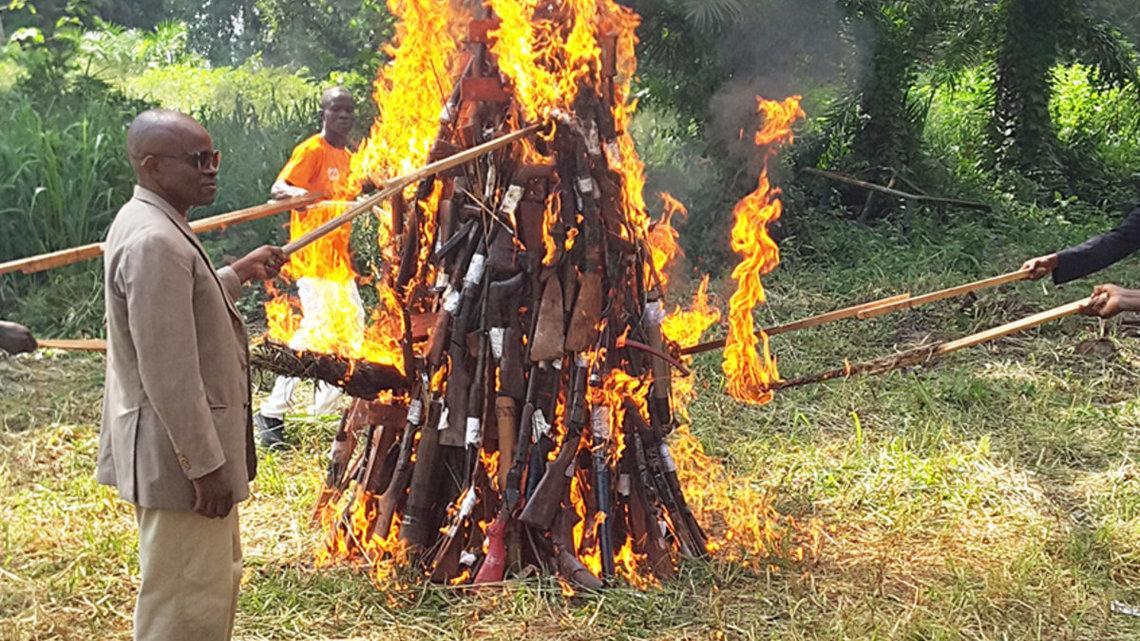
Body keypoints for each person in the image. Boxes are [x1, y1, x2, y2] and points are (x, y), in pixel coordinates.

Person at [98, 108, 285, 641]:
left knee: (205, 590)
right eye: (197, 160)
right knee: (185, 607)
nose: (211, 169)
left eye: (213, 156)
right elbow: (169, 372)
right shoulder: (154, 241)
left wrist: (235, 273)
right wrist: (205, 467)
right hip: (181, 463)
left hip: (177, 455)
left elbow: (181, 306)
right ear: (153, 166)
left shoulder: (156, 222)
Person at [255, 86, 364, 449]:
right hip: (313, 260)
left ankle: (323, 413)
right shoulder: (312, 150)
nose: (344, 116)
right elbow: (279, 188)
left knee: (351, 331)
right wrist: (298, 195)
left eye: (349, 110)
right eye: (337, 110)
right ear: (324, 115)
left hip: (339, 263)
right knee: (316, 330)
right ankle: (271, 413)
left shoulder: (348, 157)